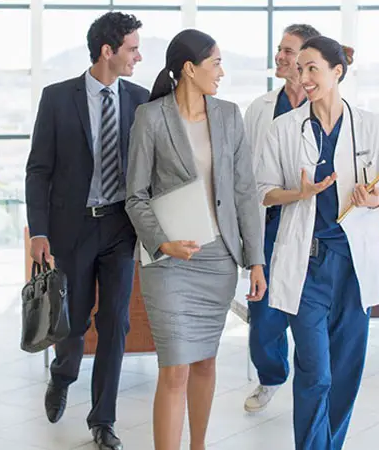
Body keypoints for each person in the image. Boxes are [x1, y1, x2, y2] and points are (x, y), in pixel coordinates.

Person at [256, 36, 379, 450]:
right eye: (299, 69)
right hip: (307, 265)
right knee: (315, 373)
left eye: (311, 69)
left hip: (355, 267)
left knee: (345, 371)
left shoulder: (372, 126)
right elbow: (262, 190)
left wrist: (377, 199)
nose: (302, 77)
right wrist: (297, 195)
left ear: (337, 71)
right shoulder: (284, 129)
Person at [125, 29, 267, 450]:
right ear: (190, 68)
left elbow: (244, 193)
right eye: (216, 62)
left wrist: (255, 260)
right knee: (175, 369)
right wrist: (162, 243)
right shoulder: (150, 118)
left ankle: (198, 446)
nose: (221, 72)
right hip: (169, 263)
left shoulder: (228, 115)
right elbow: (134, 196)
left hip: (218, 260)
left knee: (205, 361)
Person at [24, 11, 150, 450]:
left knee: (114, 323)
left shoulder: (140, 99)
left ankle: (103, 421)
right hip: (72, 227)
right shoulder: (58, 98)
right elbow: (39, 170)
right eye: (132, 48)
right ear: (107, 51)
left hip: (119, 226)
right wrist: (38, 231)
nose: (138, 56)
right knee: (73, 324)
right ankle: (63, 376)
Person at [242, 23, 320, 414]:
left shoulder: (321, 106)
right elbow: (244, 168)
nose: (280, 56)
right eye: (280, 49)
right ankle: (272, 376)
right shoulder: (261, 107)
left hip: (308, 224)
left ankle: (314, 382)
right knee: (263, 313)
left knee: (307, 310)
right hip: (268, 221)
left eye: (288, 51)